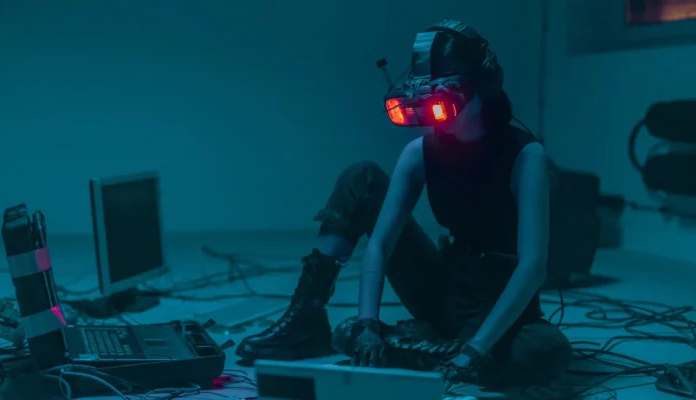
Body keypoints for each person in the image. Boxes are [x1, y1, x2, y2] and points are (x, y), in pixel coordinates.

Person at [236, 20, 572, 389]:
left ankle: (433, 347)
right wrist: (365, 325)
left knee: (546, 351)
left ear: (482, 85)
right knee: (362, 177)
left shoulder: (526, 156)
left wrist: (475, 349)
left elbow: (533, 267)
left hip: (498, 301)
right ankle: (308, 320)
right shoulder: (420, 154)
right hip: (444, 288)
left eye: (442, 103)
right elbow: (380, 243)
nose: (433, 117)